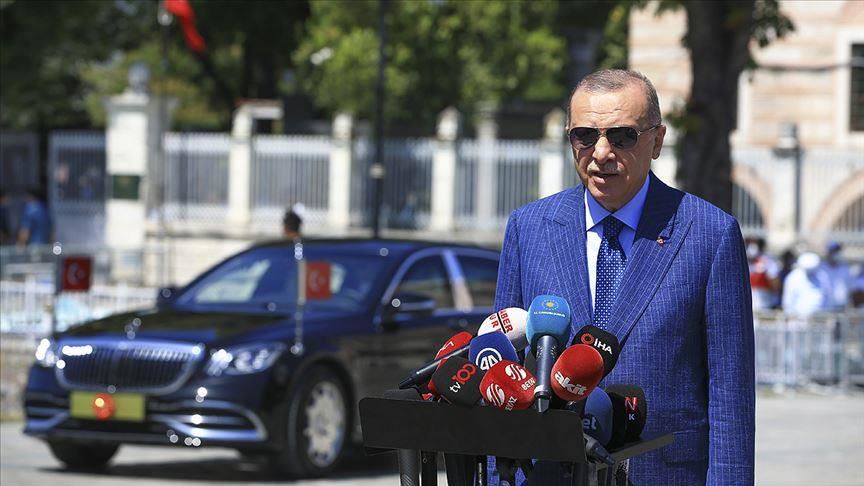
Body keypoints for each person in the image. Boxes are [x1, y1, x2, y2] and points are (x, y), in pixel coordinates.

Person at [494, 69, 754, 485]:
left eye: (622, 137)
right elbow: (502, 373)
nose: (600, 153)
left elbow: (730, 393)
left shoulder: (709, 234)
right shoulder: (530, 228)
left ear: (657, 141)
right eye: (584, 135)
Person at [782, 252, 833, 318]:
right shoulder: (793, 277)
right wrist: (790, 315)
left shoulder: (822, 276)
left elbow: (828, 296)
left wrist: (826, 313)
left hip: (820, 319)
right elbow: (788, 300)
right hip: (798, 319)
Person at [745, 236, 781, 310]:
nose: (752, 246)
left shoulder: (767, 261)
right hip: (747, 303)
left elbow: (775, 283)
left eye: (755, 243)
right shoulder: (742, 260)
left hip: (765, 303)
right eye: (749, 243)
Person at [820, 241, 851, 311]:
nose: (836, 254)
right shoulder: (821, 268)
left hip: (841, 306)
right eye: (833, 251)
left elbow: (849, 286)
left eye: (837, 251)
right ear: (828, 253)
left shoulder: (845, 267)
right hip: (825, 306)